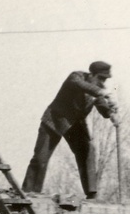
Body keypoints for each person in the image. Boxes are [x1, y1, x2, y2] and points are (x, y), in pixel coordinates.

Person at [21, 61, 120, 199]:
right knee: (40, 158)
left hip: (75, 124)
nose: (102, 81)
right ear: (92, 75)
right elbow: (82, 86)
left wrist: (111, 114)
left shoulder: (98, 88)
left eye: (105, 79)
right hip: (54, 120)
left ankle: (92, 194)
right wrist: (102, 92)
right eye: (100, 78)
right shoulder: (76, 77)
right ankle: (29, 192)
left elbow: (101, 104)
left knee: (87, 150)